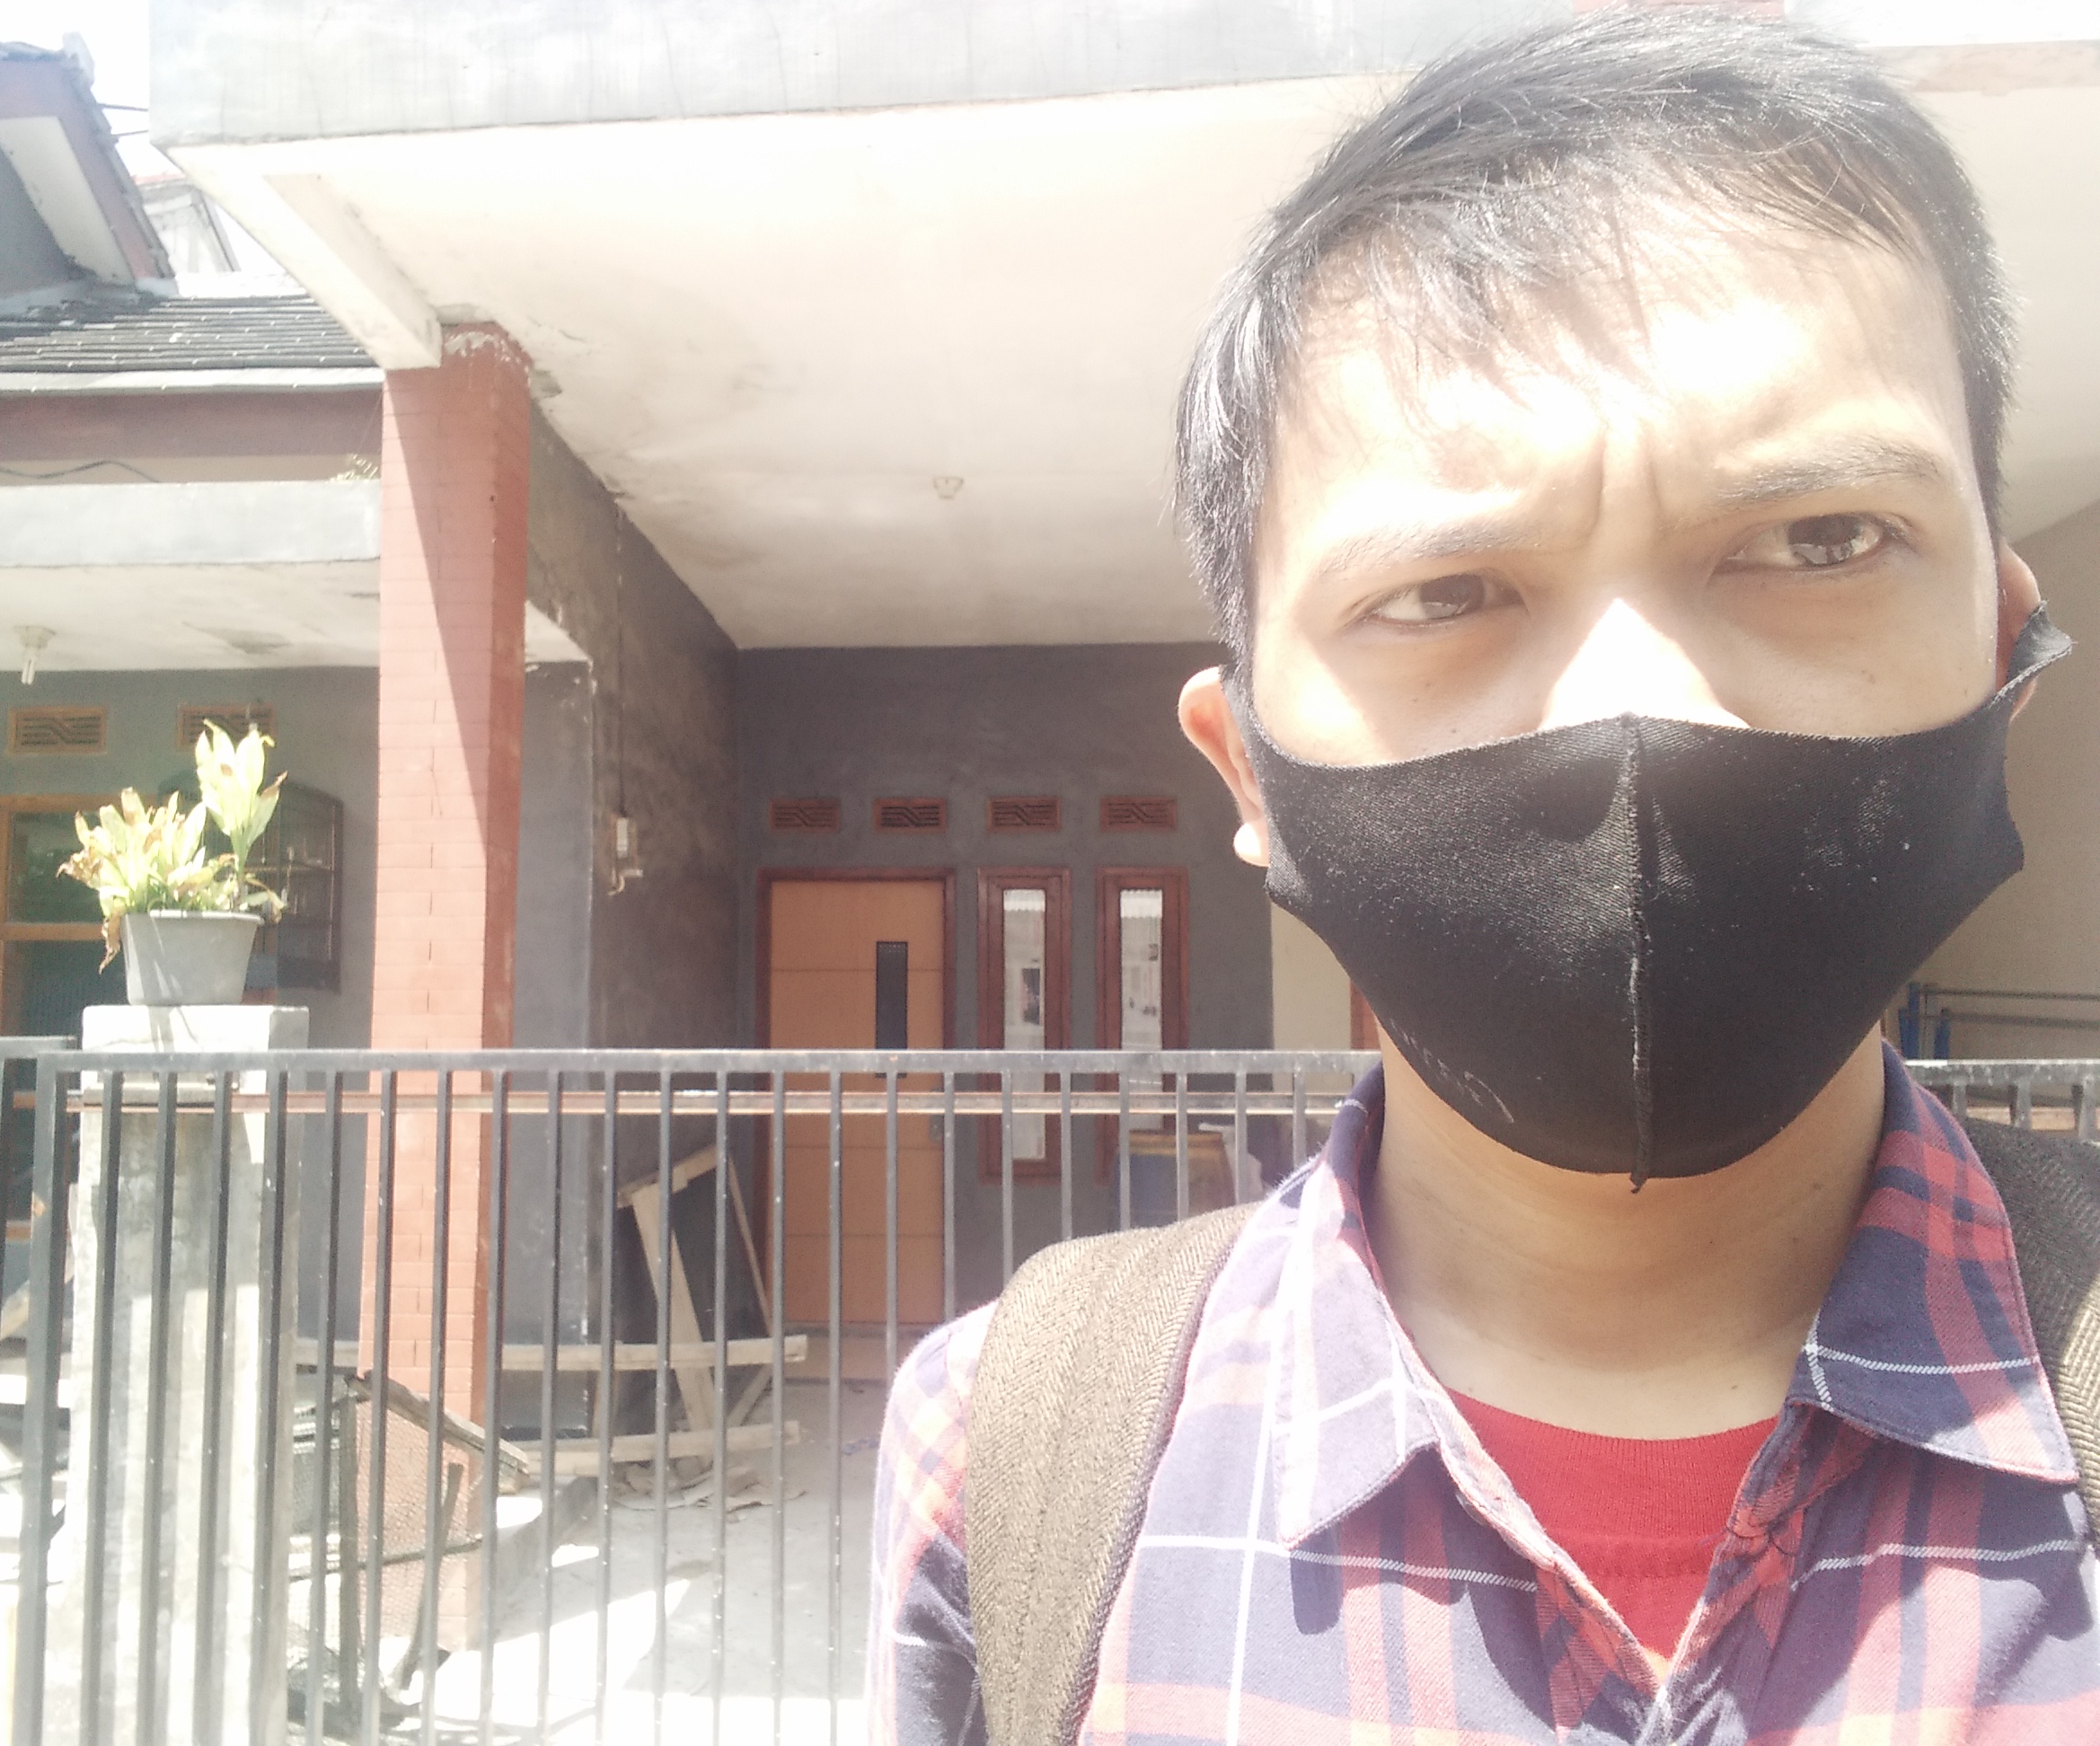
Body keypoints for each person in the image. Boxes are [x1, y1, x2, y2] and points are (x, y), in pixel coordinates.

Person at [869, 10, 2100, 1742]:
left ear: (2002, 654)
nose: (1638, 711)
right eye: (1441, 592)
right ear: (1248, 770)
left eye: (1820, 539)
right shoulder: (1007, 1450)